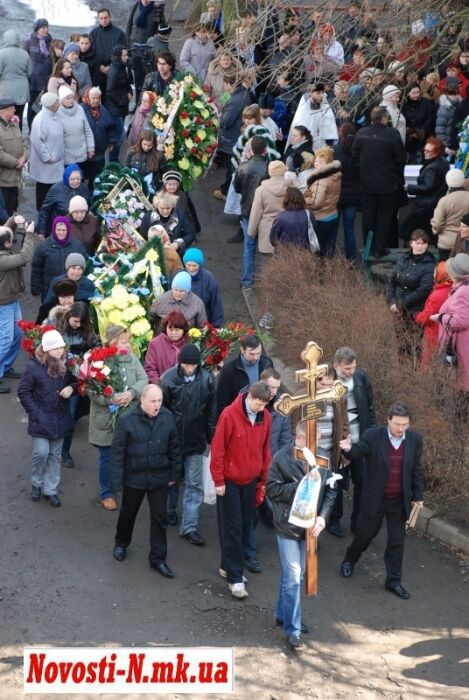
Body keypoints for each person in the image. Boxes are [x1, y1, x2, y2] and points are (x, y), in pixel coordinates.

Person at [340, 402, 424, 600]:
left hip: (398, 500)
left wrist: (418, 496)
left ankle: (393, 581)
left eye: (405, 425)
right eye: (397, 424)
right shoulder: (373, 436)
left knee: (397, 542)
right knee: (364, 535)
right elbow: (357, 453)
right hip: (375, 498)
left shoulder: (414, 440)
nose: (401, 429)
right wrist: (347, 449)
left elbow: (417, 469)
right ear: (388, 420)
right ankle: (350, 559)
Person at [266, 421, 337, 650]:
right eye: (310, 443)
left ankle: (283, 614)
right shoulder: (281, 458)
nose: (315, 448)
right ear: (298, 439)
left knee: (294, 576)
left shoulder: (323, 458)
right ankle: (293, 631)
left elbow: (331, 491)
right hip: (287, 526)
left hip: (310, 528)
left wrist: (323, 517)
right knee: (295, 576)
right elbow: (271, 490)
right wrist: (298, 487)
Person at [109, 383, 181, 578]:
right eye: (153, 401)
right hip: (134, 477)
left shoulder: (167, 417)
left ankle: (158, 558)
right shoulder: (127, 420)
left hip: (159, 477)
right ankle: (121, 543)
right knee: (128, 513)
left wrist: (175, 474)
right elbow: (117, 453)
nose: (157, 405)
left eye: (159, 401)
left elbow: (174, 447)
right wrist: (116, 483)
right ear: (142, 400)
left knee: (160, 518)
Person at [211, 382, 272, 598]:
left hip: (251, 481)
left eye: (265, 404)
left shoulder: (266, 418)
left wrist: (262, 480)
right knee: (233, 528)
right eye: (258, 402)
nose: (260, 407)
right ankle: (235, 578)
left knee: (245, 526)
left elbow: (265, 450)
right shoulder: (229, 415)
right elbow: (217, 450)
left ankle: (227, 565)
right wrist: (218, 480)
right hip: (230, 482)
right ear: (250, 396)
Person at [89, 324, 148, 512]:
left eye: (128, 341)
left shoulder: (131, 358)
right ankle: (107, 493)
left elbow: (143, 379)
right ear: (112, 342)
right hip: (106, 418)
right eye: (123, 341)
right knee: (107, 455)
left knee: (126, 453)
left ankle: (120, 484)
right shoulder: (99, 361)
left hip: (128, 414)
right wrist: (110, 398)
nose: (127, 345)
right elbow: (91, 389)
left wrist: (131, 393)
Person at [161, 344, 217, 540]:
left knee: (194, 484)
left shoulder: (208, 379)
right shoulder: (168, 379)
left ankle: (189, 526)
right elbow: (162, 412)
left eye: (193, 365)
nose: (190, 369)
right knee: (171, 479)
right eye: (186, 365)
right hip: (173, 440)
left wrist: (212, 439)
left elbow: (211, 412)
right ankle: (168, 510)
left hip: (196, 440)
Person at [17, 329, 76, 507]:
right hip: (41, 418)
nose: (59, 351)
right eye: (55, 348)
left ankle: (51, 490)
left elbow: (77, 381)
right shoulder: (34, 367)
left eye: (61, 347)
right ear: (46, 349)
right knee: (41, 453)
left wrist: (72, 388)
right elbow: (23, 391)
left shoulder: (68, 365)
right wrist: (35, 413)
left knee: (54, 455)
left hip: (60, 417)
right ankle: (37, 483)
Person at [332, 347, 377, 535]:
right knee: (336, 481)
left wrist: (372, 435)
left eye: (353, 368)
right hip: (339, 440)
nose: (351, 372)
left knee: (363, 481)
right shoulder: (328, 381)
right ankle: (334, 519)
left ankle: (357, 520)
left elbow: (370, 407)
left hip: (360, 438)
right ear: (336, 366)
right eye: (347, 369)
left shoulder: (361, 378)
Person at [352, 106, 406, 257]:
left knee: (368, 217)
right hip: (387, 185)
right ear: (384, 118)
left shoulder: (361, 133)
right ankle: (380, 249)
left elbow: (354, 155)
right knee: (385, 217)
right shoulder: (392, 134)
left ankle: (368, 247)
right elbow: (401, 158)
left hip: (367, 184)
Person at [56, 302, 99, 467]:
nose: (78, 324)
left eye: (81, 321)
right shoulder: (58, 329)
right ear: (68, 317)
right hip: (56, 375)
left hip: (75, 378)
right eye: (75, 321)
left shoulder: (87, 331)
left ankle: (65, 450)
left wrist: (89, 355)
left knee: (71, 415)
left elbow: (96, 346)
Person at [0, 216, 36, 394]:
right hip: (3, 304)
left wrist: (13, 220)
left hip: (11, 300)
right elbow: (24, 257)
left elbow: (4, 232)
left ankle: (5, 366)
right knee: (5, 340)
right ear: (6, 244)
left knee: (17, 334)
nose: (13, 240)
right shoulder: (2, 260)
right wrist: (29, 235)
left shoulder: (2, 247)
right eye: (11, 241)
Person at [212, 71, 254, 201]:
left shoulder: (236, 100)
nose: (224, 87)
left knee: (232, 165)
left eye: (225, 84)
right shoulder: (241, 95)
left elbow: (225, 122)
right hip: (236, 134)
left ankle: (226, 191)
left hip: (232, 137)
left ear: (230, 84)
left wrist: (217, 117)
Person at [233, 135, 268, 288]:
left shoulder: (243, 167)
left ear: (251, 150)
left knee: (249, 246)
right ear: (265, 150)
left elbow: (237, 188)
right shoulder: (269, 168)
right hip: (265, 212)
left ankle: (247, 280)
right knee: (264, 249)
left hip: (247, 209)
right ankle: (263, 281)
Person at [399, 137, 449, 243]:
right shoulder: (443, 163)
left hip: (424, 205)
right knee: (429, 231)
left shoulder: (432, 168)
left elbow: (428, 187)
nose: (424, 153)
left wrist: (409, 187)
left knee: (408, 231)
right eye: (424, 150)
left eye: (428, 151)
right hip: (433, 203)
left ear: (436, 152)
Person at [436, 254, 469, 398]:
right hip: (463, 346)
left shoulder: (463, 291)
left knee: (461, 393)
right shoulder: (463, 287)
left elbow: (459, 321)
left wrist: (440, 317)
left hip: (462, 347)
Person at [31, 218, 87, 302]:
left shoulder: (77, 246)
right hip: (50, 291)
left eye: (64, 230)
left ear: (68, 230)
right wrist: (36, 289)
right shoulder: (43, 246)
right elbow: (36, 269)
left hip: (72, 291)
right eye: (58, 230)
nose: (61, 233)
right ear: (54, 229)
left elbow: (85, 266)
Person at [216, 334, 273, 416]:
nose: (256, 357)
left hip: (263, 413)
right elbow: (222, 400)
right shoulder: (229, 370)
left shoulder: (267, 363)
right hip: (240, 416)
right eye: (252, 354)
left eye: (258, 353)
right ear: (242, 350)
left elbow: (272, 388)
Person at [387, 229, 436, 320]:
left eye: (423, 243)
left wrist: (401, 304)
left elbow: (423, 290)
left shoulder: (429, 265)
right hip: (396, 307)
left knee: (412, 333)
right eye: (417, 243)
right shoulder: (403, 258)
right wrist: (391, 301)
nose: (420, 246)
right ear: (411, 243)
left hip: (415, 310)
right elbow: (392, 281)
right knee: (398, 333)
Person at [248, 160, 288, 266]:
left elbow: (255, 213)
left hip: (267, 232)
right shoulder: (291, 187)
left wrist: (251, 232)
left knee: (265, 267)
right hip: (286, 230)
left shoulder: (261, 190)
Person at [29, 92, 64, 211]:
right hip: (46, 164)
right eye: (57, 102)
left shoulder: (56, 114)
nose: (59, 104)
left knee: (54, 189)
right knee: (44, 191)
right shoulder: (40, 119)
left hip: (56, 162)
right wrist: (47, 157)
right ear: (50, 105)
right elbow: (37, 141)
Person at [304, 146, 341, 257]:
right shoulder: (336, 175)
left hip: (321, 218)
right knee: (329, 252)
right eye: (316, 161)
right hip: (333, 215)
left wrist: (303, 201)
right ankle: (329, 273)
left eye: (320, 162)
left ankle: (319, 274)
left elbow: (316, 203)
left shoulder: (321, 179)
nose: (316, 164)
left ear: (327, 163)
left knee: (317, 252)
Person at [415, 261, 453, 369]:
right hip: (447, 337)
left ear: (441, 275)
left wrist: (417, 316)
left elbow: (425, 318)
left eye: (435, 272)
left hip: (434, 335)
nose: (433, 274)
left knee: (428, 365)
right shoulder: (453, 290)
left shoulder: (437, 296)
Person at [125, 0, 166, 100]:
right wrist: (127, 48)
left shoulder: (157, 10)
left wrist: (160, 18)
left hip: (149, 51)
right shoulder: (134, 7)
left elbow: (162, 31)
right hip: (135, 49)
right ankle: (138, 102)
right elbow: (128, 27)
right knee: (137, 79)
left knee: (150, 78)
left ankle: (151, 101)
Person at [37, 164, 90, 238]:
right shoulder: (56, 189)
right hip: (61, 229)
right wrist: (41, 231)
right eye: (72, 179)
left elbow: (88, 207)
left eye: (78, 179)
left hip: (79, 228)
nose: (76, 182)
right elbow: (45, 210)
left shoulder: (84, 188)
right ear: (66, 178)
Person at [333, 123, 361, 261]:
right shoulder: (359, 151)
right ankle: (352, 258)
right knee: (349, 229)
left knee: (334, 228)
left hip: (337, 195)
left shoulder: (335, 150)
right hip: (353, 196)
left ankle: (329, 256)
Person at [81, 86, 118, 187]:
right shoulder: (81, 109)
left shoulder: (103, 110)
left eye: (98, 98)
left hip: (100, 151)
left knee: (96, 178)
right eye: (94, 98)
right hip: (85, 152)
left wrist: (111, 141)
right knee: (82, 177)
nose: (96, 100)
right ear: (88, 97)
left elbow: (110, 127)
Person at [287, 83, 338, 152]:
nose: (321, 95)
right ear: (310, 93)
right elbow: (299, 132)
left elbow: (331, 130)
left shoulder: (325, 107)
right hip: (306, 149)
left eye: (323, 92)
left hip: (322, 149)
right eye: (318, 93)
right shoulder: (303, 110)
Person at [89, 8, 127, 99]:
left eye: (106, 17)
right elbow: (90, 53)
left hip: (115, 71)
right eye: (101, 18)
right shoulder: (93, 33)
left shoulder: (119, 33)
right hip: (97, 71)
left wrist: (111, 66)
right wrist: (99, 66)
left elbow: (123, 53)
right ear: (98, 19)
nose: (104, 20)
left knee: (113, 98)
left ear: (110, 17)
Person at [431, 170, 469, 261]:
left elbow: (437, 224)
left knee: (447, 272)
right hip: (466, 242)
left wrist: (436, 231)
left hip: (446, 243)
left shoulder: (444, 201)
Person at [182, 247, 224, 327]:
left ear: (200, 265)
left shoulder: (209, 279)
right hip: (184, 324)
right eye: (188, 265)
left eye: (194, 265)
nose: (191, 269)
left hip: (203, 322)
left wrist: (216, 325)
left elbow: (216, 303)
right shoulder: (180, 277)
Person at [23, 18, 52, 130]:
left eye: (46, 27)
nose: (45, 30)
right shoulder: (28, 42)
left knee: (45, 106)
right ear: (37, 29)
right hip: (33, 81)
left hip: (47, 80)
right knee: (32, 107)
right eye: (43, 28)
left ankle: (43, 129)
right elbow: (24, 60)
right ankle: (31, 129)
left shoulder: (50, 41)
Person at [0, 30, 32, 130]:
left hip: (5, 90)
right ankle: (18, 138)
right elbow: (30, 72)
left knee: (4, 118)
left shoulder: (1, 54)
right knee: (18, 117)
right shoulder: (25, 54)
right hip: (22, 90)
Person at [144, 310, 188, 383]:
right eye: (170, 329)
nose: (173, 333)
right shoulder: (155, 343)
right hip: (162, 386)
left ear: (183, 329)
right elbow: (150, 370)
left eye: (177, 330)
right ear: (165, 328)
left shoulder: (189, 342)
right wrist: (160, 385)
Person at [104, 45, 132, 161]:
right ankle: (113, 159)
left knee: (119, 135)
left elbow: (126, 84)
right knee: (119, 136)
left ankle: (114, 158)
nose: (127, 57)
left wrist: (129, 91)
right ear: (119, 56)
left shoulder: (121, 67)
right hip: (115, 108)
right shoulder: (115, 70)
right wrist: (124, 99)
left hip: (120, 107)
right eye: (124, 55)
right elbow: (110, 91)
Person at [0, 100, 28, 215]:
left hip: (15, 180)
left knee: (13, 210)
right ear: (2, 111)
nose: (15, 110)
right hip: (2, 182)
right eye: (12, 108)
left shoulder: (15, 125)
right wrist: (16, 162)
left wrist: (24, 157)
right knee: (3, 214)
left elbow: (24, 143)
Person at [58, 85, 95, 169]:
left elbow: (88, 130)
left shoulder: (80, 109)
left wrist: (90, 148)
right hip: (67, 157)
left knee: (81, 179)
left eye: (72, 97)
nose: (71, 100)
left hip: (82, 154)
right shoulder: (58, 114)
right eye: (67, 98)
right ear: (61, 100)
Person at [401, 83, 436, 164]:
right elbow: (403, 119)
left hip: (424, 136)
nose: (416, 95)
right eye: (413, 93)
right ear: (408, 93)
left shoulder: (426, 103)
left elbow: (430, 118)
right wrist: (410, 132)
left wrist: (421, 131)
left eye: (418, 92)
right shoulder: (404, 105)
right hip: (409, 138)